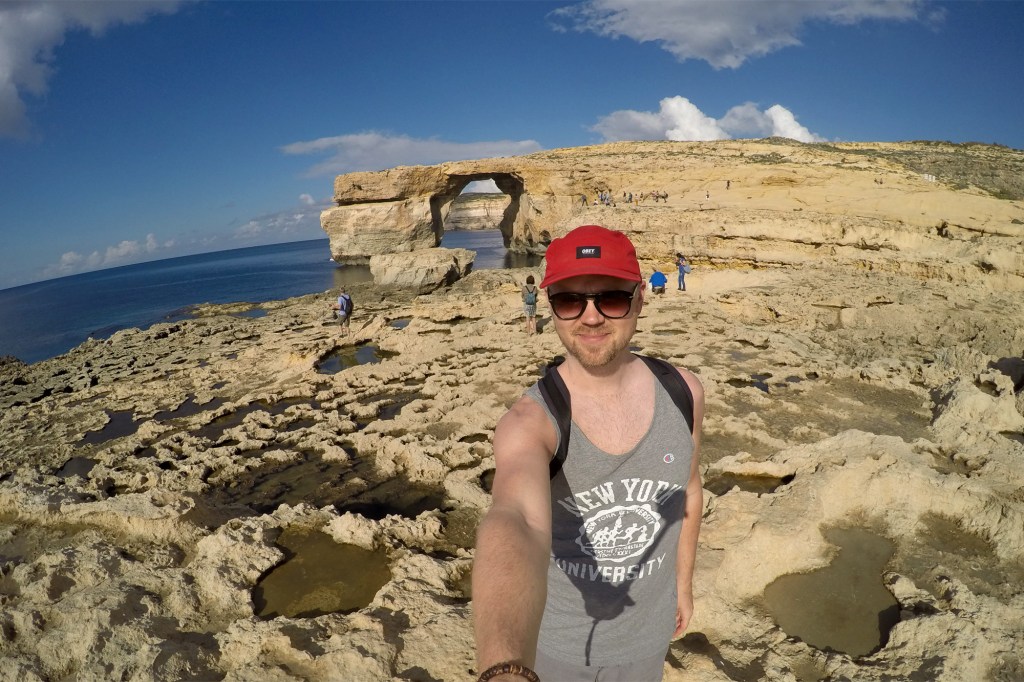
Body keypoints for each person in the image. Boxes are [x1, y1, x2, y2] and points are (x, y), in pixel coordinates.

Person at [473, 224, 705, 682]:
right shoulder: (531, 421)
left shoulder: (684, 392)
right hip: (556, 649)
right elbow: (517, 520)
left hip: (649, 639)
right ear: (552, 307)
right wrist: (504, 667)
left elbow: (689, 493)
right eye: (569, 300)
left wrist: (683, 586)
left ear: (639, 299)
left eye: (611, 298)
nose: (591, 317)